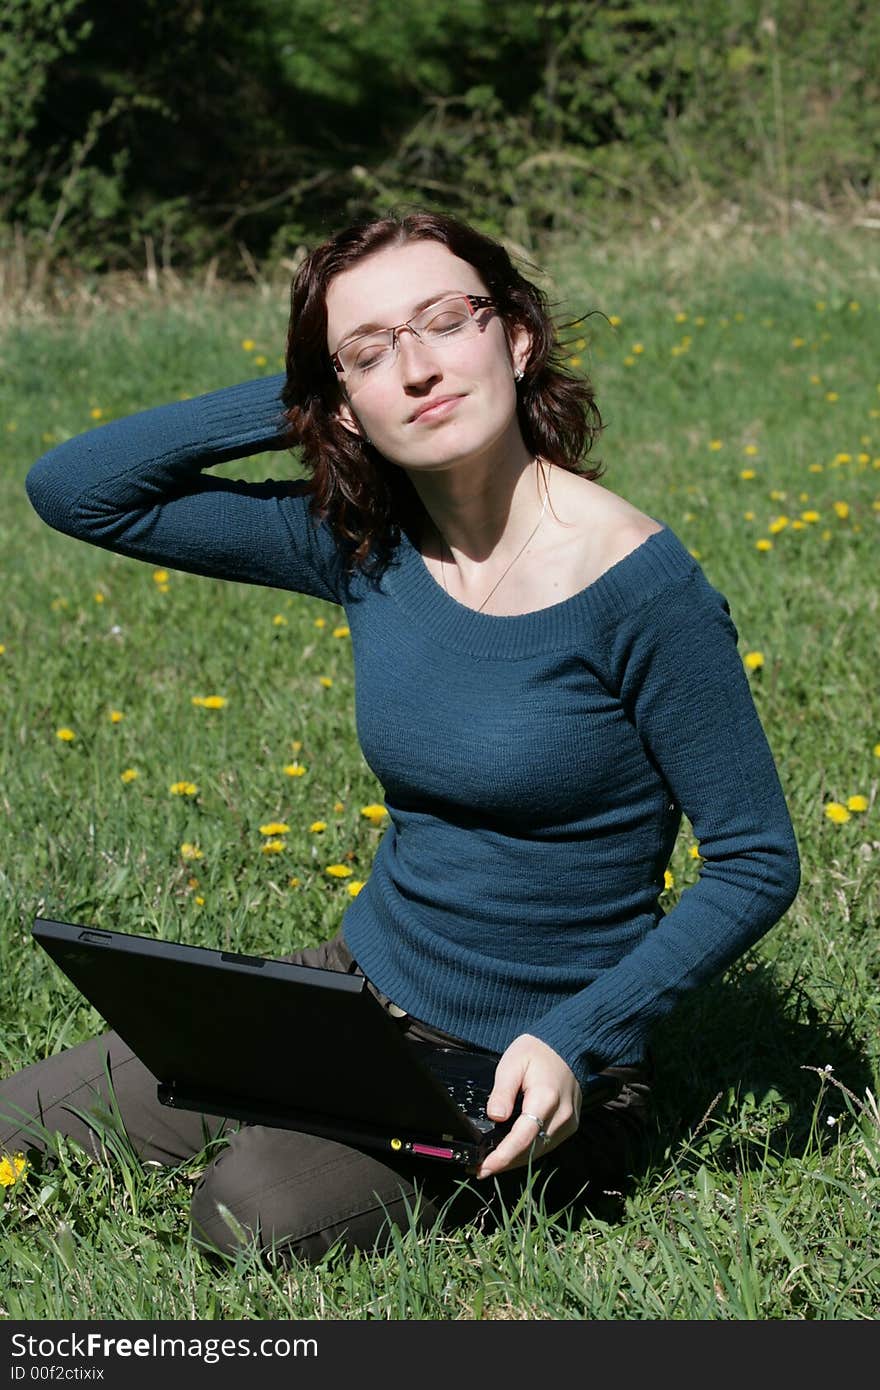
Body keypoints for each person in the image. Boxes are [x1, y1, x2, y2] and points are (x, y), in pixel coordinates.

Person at [2, 210, 800, 1265]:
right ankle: (308, 1114)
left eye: (443, 322)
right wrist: (318, 398)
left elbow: (754, 862)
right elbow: (76, 490)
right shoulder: (365, 547)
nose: (418, 369)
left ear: (515, 337)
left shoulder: (641, 589)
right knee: (15, 1121)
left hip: (528, 1065)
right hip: (352, 989)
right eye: (373, 350)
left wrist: (576, 1038)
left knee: (249, 1212)